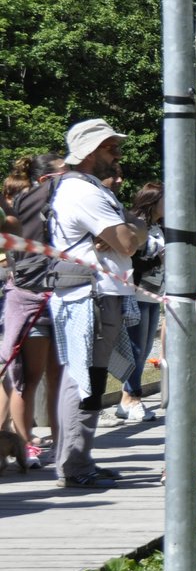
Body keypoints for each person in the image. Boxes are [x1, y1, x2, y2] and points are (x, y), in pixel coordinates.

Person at [49, 119, 146, 488]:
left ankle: (79, 460)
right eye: (110, 147)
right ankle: (74, 466)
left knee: (89, 378)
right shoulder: (85, 193)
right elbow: (127, 242)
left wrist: (127, 226)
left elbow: (128, 233)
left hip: (98, 294)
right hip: (93, 296)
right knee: (83, 380)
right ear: (90, 152)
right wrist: (130, 225)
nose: (117, 153)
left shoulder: (87, 190)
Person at [1, 153, 68, 469]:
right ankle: (25, 445)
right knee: (28, 376)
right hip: (31, 297)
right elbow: (13, 238)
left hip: (59, 295)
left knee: (60, 375)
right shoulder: (29, 203)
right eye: (62, 172)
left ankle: (62, 442)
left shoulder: (59, 204)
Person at [113, 182, 165, 422]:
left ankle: (127, 399)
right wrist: (157, 258)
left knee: (143, 350)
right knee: (134, 349)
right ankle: (133, 397)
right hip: (136, 292)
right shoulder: (136, 223)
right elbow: (132, 256)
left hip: (154, 293)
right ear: (153, 201)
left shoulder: (158, 226)